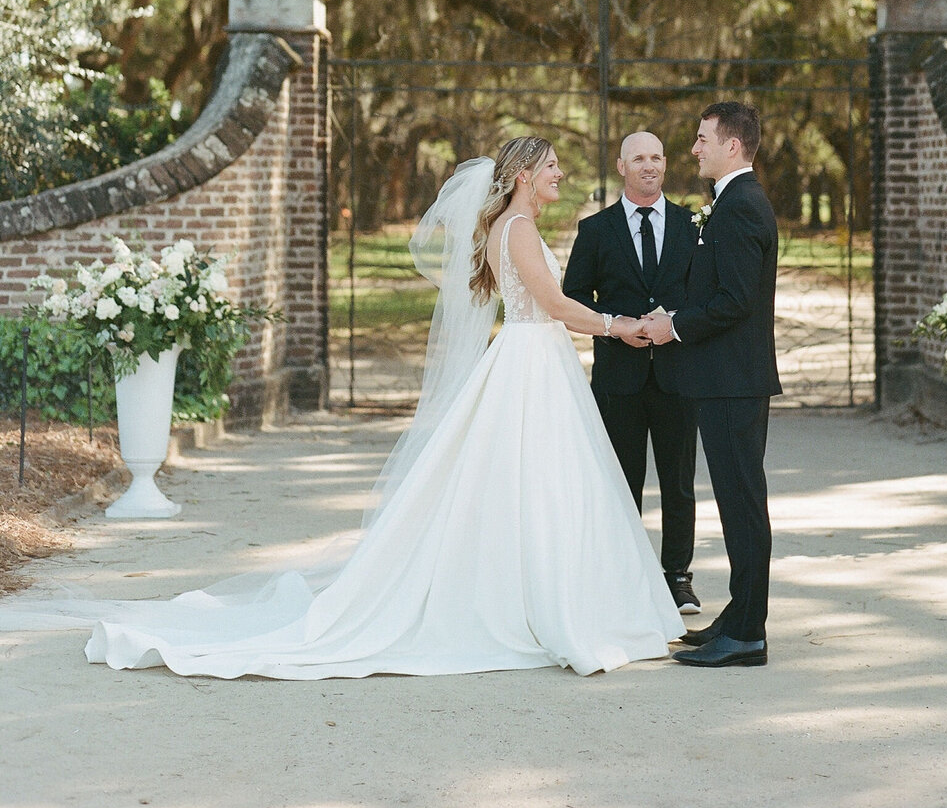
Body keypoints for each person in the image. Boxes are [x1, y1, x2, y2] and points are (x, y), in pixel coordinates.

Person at [0, 138, 684, 677]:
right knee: (541, 485)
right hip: (533, 362)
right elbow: (559, 307)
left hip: (530, 362)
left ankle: (531, 591)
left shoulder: (508, 225)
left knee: (527, 487)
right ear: (525, 173)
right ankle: (549, 604)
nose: (560, 175)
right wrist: (621, 325)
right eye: (553, 167)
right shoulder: (522, 230)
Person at [635, 102, 780, 669]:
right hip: (724, 381)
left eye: (702, 139)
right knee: (737, 502)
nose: (693, 149)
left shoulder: (742, 207)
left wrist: (674, 326)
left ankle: (747, 633)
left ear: (733, 146)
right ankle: (739, 617)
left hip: (733, 382)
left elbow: (736, 302)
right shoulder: (731, 203)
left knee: (743, 505)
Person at [564, 130, 701, 615]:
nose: (649, 165)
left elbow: (705, 298)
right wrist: (614, 327)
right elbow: (572, 297)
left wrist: (674, 325)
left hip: (677, 376)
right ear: (621, 166)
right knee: (621, 481)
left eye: (657, 157)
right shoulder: (595, 230)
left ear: (666, 165)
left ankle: (677, 579)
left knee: (679, 481)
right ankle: (622, 578)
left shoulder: (692, 225)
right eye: (638, 158)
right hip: (618, 379)